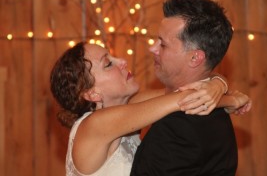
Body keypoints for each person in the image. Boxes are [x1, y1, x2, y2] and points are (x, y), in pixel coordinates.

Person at [50, 42, 250, 176]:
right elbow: (184, 100)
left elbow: (195, 85)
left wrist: (218, 84)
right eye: (108, 64)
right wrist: (230, 101)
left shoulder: (130, 106)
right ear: (92, 93)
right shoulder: (94, 124)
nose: (122, 61)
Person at [130, 0, 243, 176]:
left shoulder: (177, 127)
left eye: (163, 44)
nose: (153, 48)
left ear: (195, 57)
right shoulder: (215, 108)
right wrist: (220, 82)